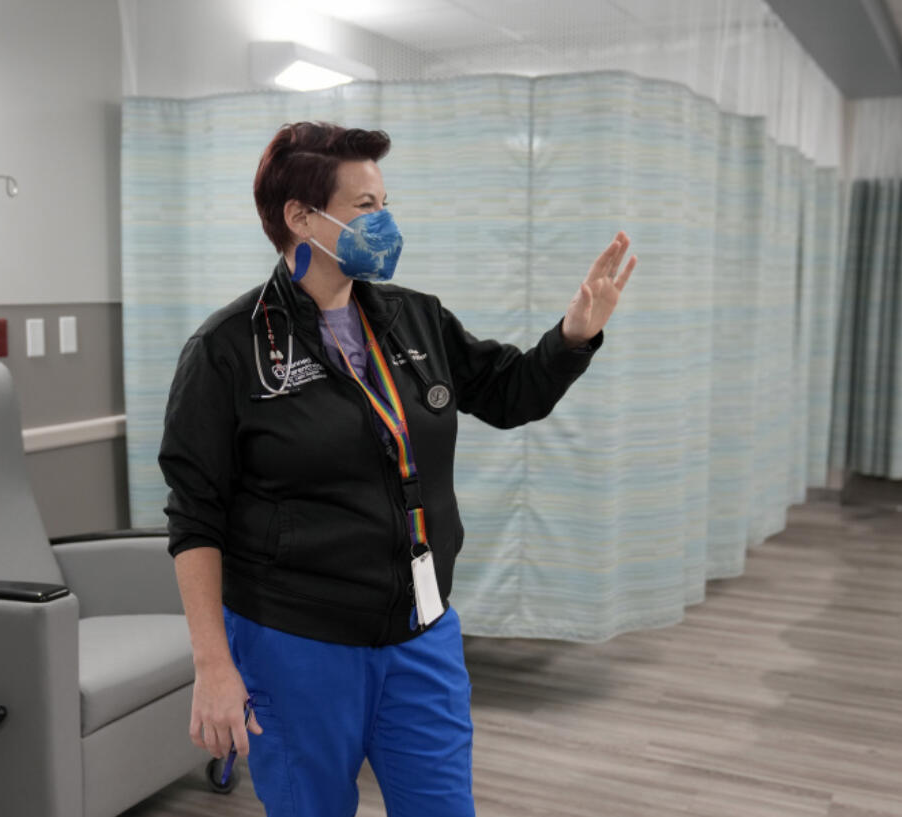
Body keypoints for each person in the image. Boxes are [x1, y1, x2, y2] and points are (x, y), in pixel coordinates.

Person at [159, 121, 636, 817]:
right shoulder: (227, 350)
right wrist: (213, 665)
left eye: (385, 202)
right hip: (297, 645)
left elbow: (509, 393)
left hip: (422, 632)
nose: (385, 221)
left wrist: (573, 335)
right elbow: (194, 516)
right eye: (366, 206)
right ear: (301, 217)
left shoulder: (416, 319)